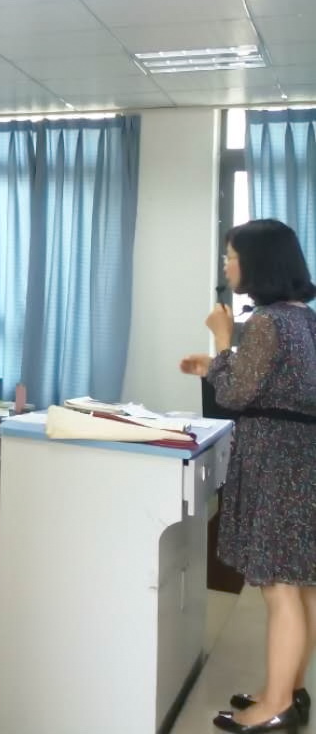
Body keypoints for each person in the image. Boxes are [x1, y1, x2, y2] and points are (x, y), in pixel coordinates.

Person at [181, 219, 316, 733]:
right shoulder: (303, 318)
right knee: (301, 586)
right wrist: (216, 364)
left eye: (231, 256)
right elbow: (277, 383)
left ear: (257, 262)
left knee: (279, 587)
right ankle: (289, 691)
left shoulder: (265, 321)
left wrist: (221, 343)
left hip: (276, 460)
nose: (226, 265)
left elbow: (236, 395)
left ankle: (275, 707)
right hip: (300, 456)